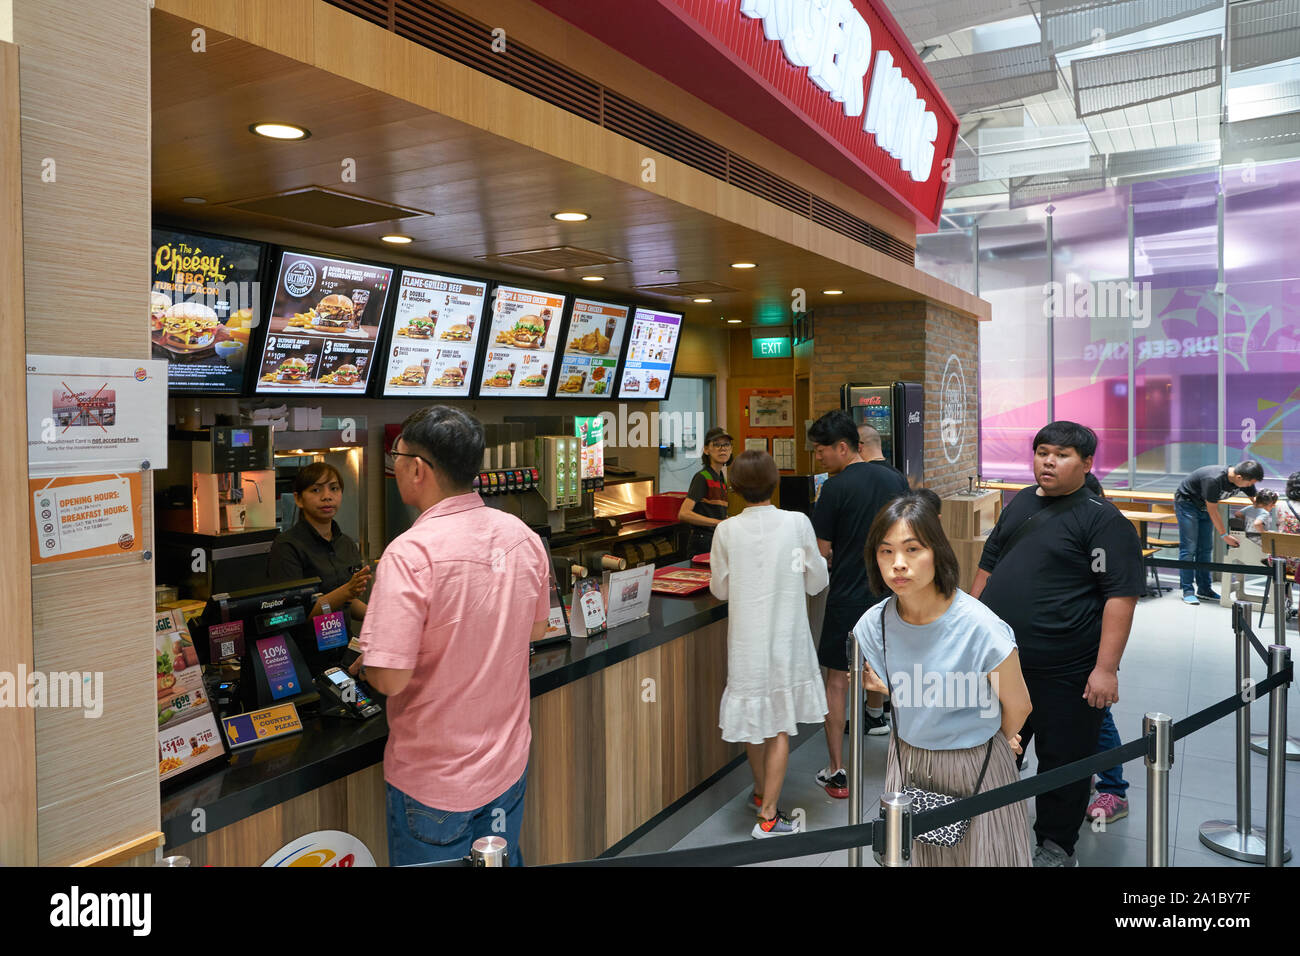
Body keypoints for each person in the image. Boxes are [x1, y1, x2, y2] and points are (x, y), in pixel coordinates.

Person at [350, 406, 551, 866]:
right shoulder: (521, 536)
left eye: (395, 457)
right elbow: (535, 629)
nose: (394, 466)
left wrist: (378, 655)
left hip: (435, 783)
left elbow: (389, 680)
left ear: (417, 469)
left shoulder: (410, 552)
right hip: (507, 766)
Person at [971, 421, 1144, 866]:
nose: (1048, 461)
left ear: (1087, 464)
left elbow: (1119, 597)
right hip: (1003, 662)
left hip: (1066, 668)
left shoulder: (1103, 520)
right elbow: (988, 567)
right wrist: (966, 630)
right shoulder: (1021, 502)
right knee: (991, 752)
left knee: (1064, 762)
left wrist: (1105, 669)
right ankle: (989, 830)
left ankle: (1054, 844)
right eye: (1042, 451)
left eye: (1062, 454)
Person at [854, 495, 1033, 866]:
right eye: (885, 552)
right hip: (907, 762)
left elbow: (1019, 705)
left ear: (937, 551)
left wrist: (996, 739)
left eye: (912, 549)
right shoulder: (874, 625)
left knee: (986, 858)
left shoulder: (980, 627)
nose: (897, 564)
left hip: (975, 763)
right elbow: (911, 688)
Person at [710, 450, 829, 838]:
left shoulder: (726, 530)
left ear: (735, 488)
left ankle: (761, 792)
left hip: (745, 641)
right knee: (779, 725)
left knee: (754, 722)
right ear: (775, 482)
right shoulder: (797, 523)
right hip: (786, 638)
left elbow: (720, 588)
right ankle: (769, 817)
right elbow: (816, 580)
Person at [808, 410, 909, 798]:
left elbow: (822, 552)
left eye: (821, 451)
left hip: (849, 596)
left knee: (836, 678)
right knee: (898, 675)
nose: (818, 458)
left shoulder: (832, 489)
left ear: (843, 447)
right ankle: (909, 767)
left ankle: (837, 771)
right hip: (894, 594)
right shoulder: (895, 478)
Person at [1081, 473, 1129, 825]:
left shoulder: (1108, 528)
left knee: (1097, 716)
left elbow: (1118, 598)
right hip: (1043, 646)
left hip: (1089, 645)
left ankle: (1113, 788)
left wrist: (1106, 666)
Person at [267, 462, 371, 621]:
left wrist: (379, 618)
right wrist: (346, 591)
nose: (327, 496)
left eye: (334, 488)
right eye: (316, 490)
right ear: (298, 499)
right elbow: (293, 614)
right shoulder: (287, 546)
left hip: (342, 643)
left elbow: (348, 603)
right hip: (303, 644)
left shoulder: (346, 544)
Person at [1173, 460, 1263, 604]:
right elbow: (1213, 510)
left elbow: (1256, 501)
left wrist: (1267, 505)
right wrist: (1224, 535)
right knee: (1189, 548)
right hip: (1187, 504)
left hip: (1204, 506)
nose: (1249, 486)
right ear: (1239, 478)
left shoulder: (1243, 479)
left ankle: (1204, 589)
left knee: (1206, 548)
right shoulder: (1214, 480)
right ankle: (1187, 590)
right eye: (1248, 483)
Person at [679, 426, 732, 556]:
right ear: (706, 450)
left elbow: (715, 512)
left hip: (716, 540)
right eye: (717, 445)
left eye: (726, 445)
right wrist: (719, 523)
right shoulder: (702, 477)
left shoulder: (720, 477)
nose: (723, 448)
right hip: (702, 542)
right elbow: (684, 514)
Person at [1267, 472, 1300, 617]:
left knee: (1289, 554)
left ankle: (1286, 602)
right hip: (1298, 566)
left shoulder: (1279, 505)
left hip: (1280, 563)